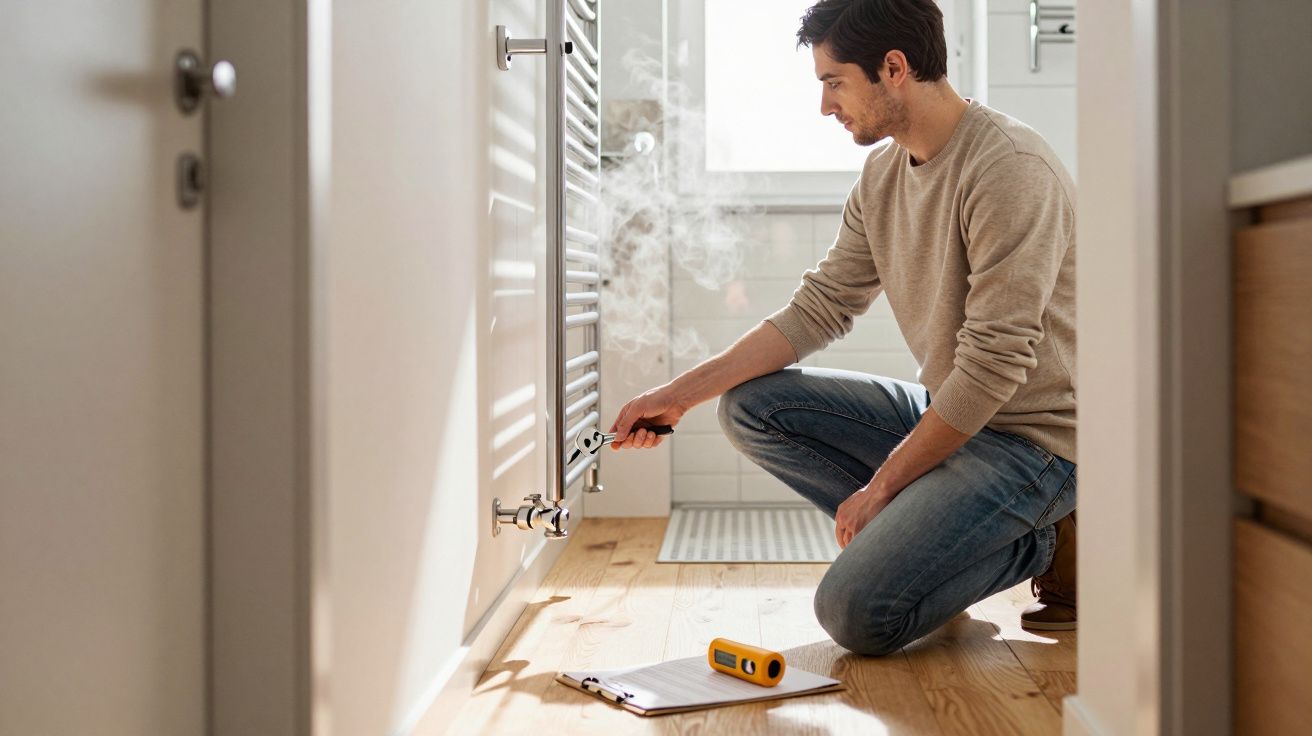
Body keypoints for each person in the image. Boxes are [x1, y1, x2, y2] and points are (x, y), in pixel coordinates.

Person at [608, 0, 1077, 654]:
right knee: (753, 407)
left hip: (1034, 444)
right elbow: (817, 309)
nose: (826, 106)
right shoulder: (883, 176)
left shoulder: (1009, 169)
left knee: (856, 613)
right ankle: (927, 550)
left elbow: (994, 367)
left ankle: (1046, 539)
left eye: (833, 81)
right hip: (950, 413)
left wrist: (882, 486)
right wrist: (677, 396)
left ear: (893, 68)